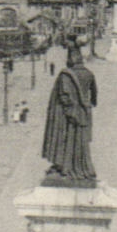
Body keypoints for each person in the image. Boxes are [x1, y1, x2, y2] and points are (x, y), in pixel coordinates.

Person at [41, 41, 98, 186]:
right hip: (84, 114)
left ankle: (67, 167)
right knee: (80, 142)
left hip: (68, 116)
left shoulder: (66, 75)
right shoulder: (89, 74)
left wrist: (70, 111)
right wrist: (86, 107)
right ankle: (79, 167)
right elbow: (94, 97)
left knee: (66, 140)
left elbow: (64, 96)